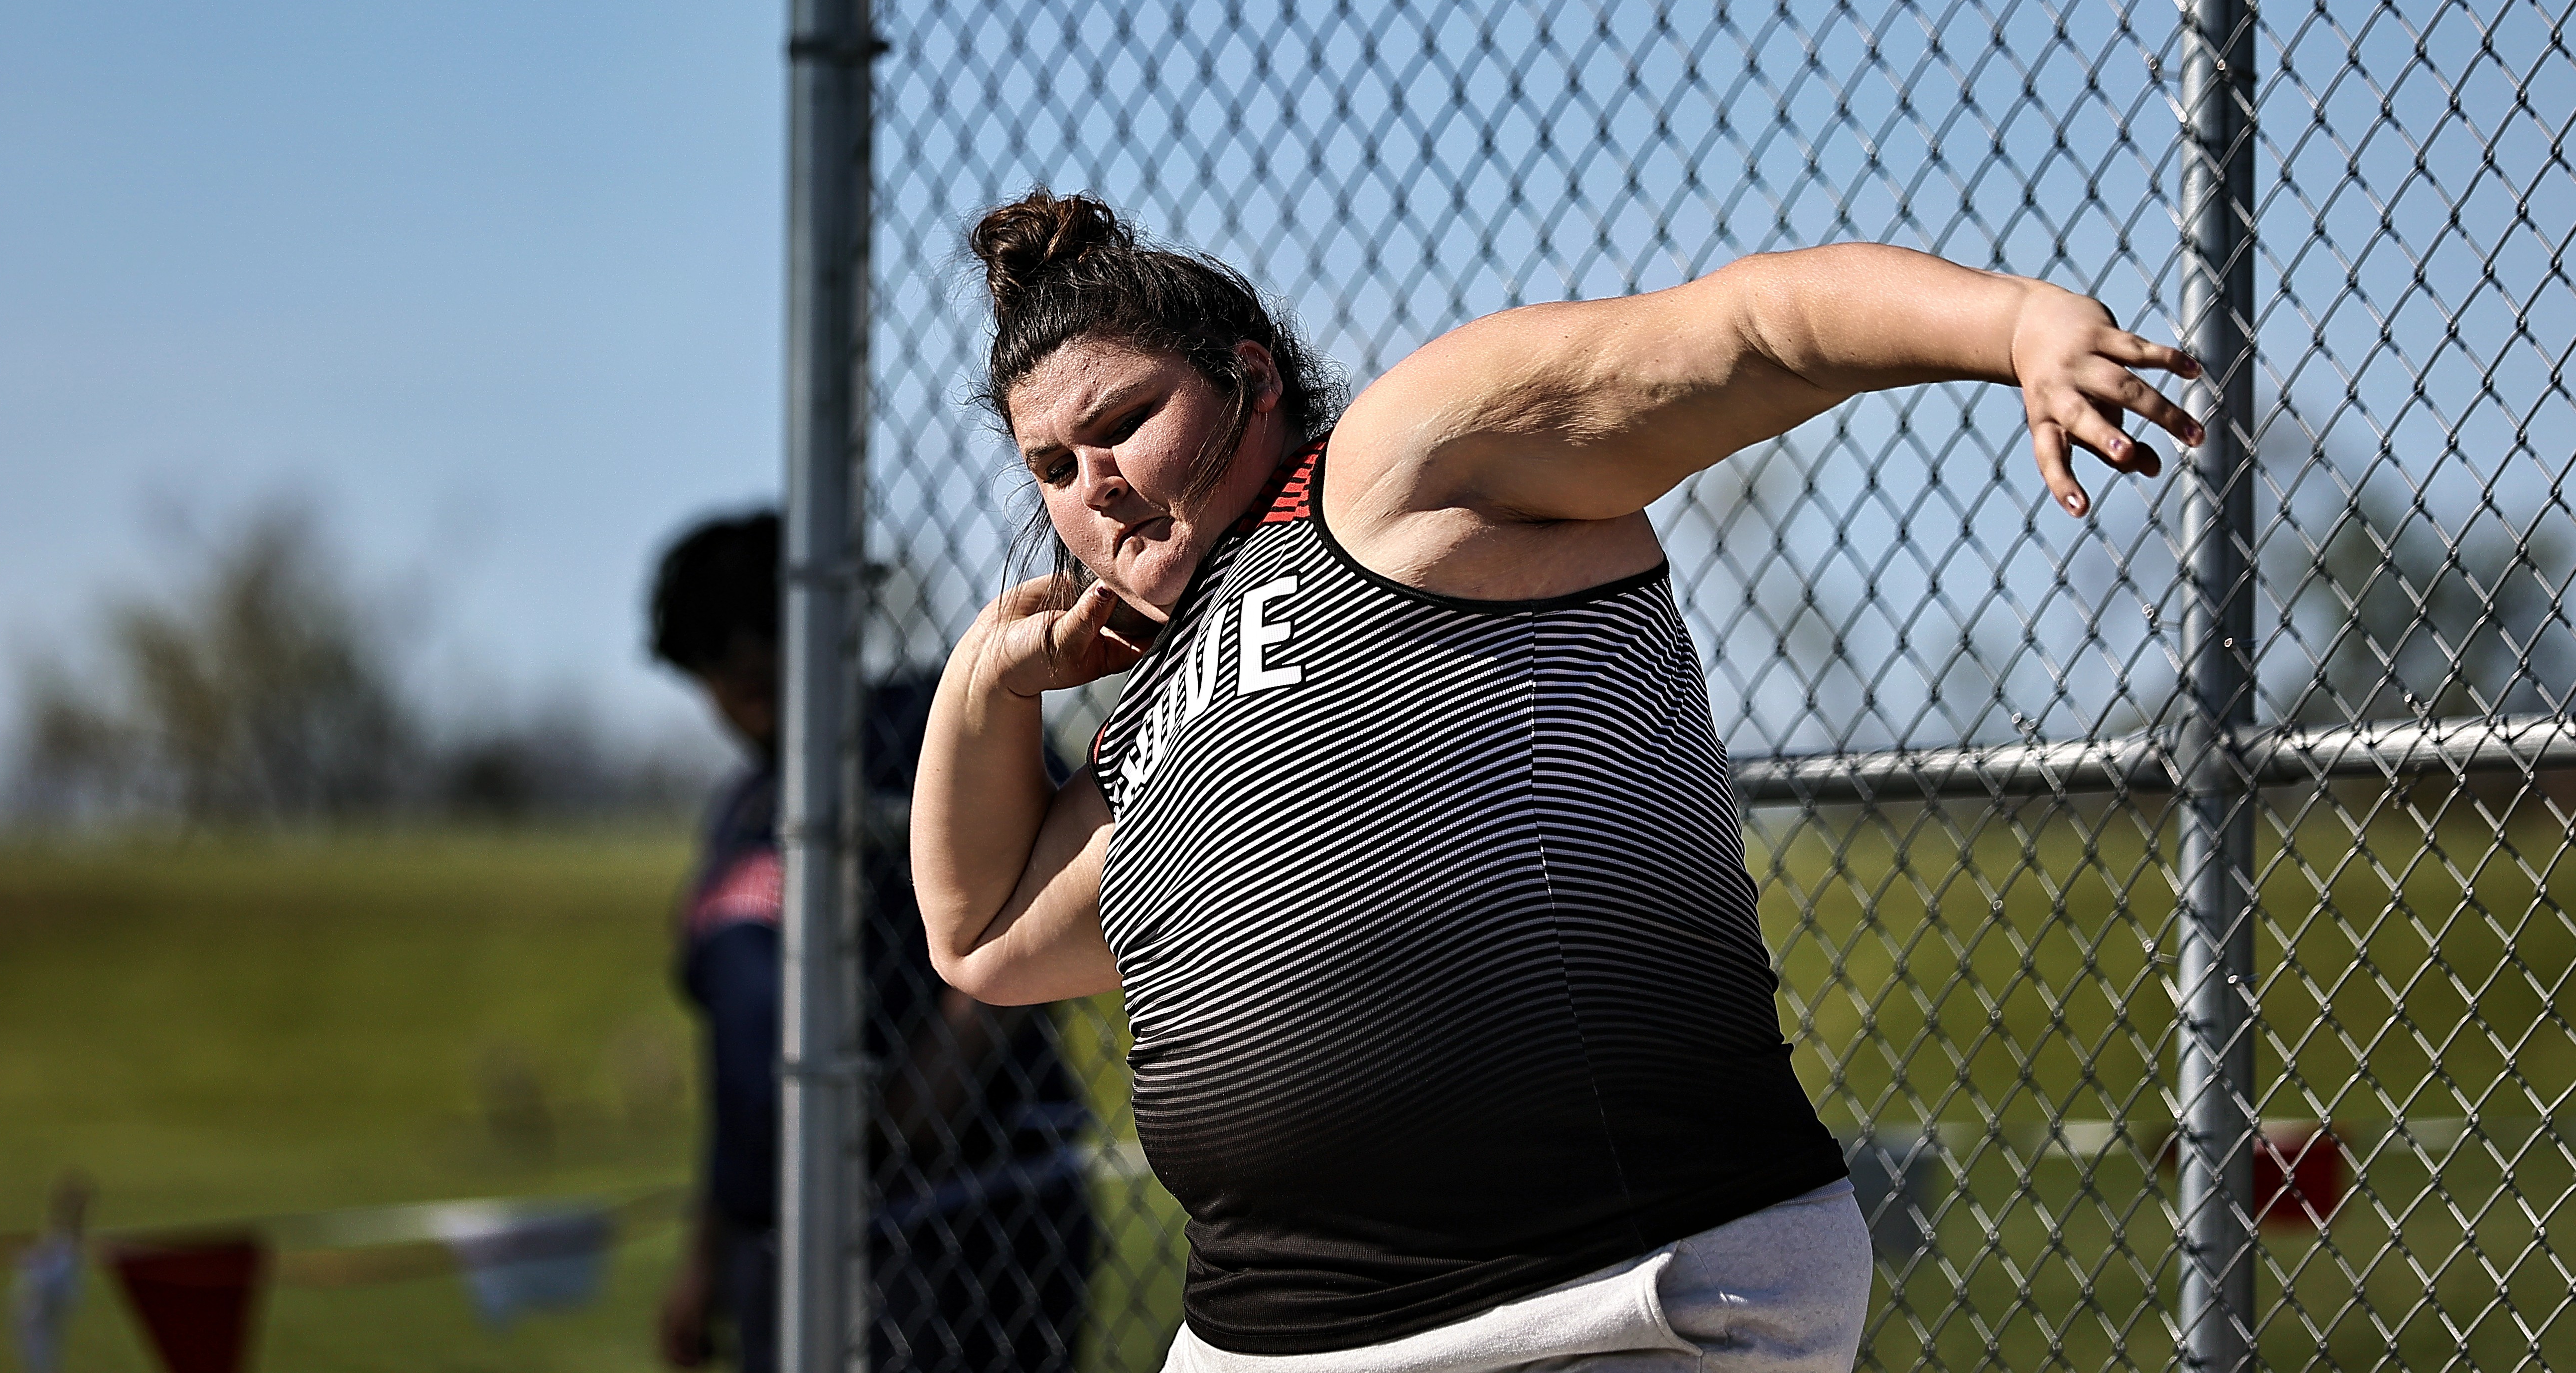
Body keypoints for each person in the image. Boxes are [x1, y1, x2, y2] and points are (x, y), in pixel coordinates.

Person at [911, 191, 2203, 1373]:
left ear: (1250, 379)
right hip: (1267, 1337)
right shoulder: (1155, 703)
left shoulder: (1393, 474)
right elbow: (985, 939)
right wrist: (984, 682)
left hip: (1604, 1300)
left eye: (1123, 425)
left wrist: (2016, 326)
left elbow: (1748, 332)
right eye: (1051, 468)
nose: (1096, 488)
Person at [650, 509, 1091, 1373]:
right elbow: (734, 1065)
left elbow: (1043, 893)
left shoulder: (926, 729)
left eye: (761, 641)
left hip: (963, 1211)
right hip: (782, 1226)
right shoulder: (741, 813)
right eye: (716, 661)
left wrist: (939, 1073)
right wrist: (706, 1253)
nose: (743, 676)